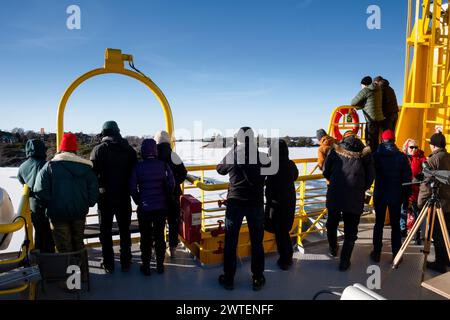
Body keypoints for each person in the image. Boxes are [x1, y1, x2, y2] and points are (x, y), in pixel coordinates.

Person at [216, 127, 269, 291]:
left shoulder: (233, 155)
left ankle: (229, 279)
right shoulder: (262, 157)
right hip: (256, 204)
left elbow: (220, 169)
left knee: (231, 242)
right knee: (257, 242)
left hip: (235, 203)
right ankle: (257, 278)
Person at [34, 133, 98, 254]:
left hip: (57, 214)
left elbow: (39, 189)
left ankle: (69, 272)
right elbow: (93, 190)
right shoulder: (86, 168)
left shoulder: (50, 166)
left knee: (63, 246)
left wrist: (51, 203)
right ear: (75, 149)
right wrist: (87, 203)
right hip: (79, 211)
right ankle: (81, 272)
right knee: (78, 243)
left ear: (61, 148)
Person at [90, 121, 138, 273]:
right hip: (124, 196)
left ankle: (109, 263)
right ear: (118, 131)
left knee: (105, 231)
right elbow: (134, 173)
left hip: (105, 198)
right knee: (124, 229)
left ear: (104, 132)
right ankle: (126, 261)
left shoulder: (98, 150)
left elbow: (93, 175)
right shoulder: (129, 150)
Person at [323, 134, 375, 271]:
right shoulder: (365, 155)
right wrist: (361, 188)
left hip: (335, 194)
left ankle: (333, 248)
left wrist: (334, 181)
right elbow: (370, 177)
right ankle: (344, 261)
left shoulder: (334, 151)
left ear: (344, 140)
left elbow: (325, 171)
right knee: (351, 230)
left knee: (332, 223)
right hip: (355, 196)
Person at [129, 139, 175, 276]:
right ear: (155, 150)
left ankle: (146, 265)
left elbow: (132, 186)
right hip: (161, 207)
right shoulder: (163, 165)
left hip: (145, 208)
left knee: (146, 237)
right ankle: (160, 265)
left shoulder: (138, 167)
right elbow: (171, 183)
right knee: (160, 236)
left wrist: (138, 199)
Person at [371, 130, 412, 263]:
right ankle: (396, 254)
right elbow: (407, 179)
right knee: (395, 225)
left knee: (379, 224)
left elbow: (370, 174)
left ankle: (377, 253)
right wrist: (406, 198)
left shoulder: (376, 156)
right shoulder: (401, 157)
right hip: (396, 195)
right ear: (394, 140)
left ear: (382, 141)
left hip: (380, 195)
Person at [418, 132, 450, 273]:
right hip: (449, 203)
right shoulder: (449, 157)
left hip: (439, 204)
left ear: (434, 145)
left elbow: (426, 185)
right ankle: (448, 259)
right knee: (448, 232)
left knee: (437, 233)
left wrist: (421, 202)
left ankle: (440, 263)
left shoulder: (433, 160)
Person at [265, 139, 299, 270]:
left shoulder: (270, 165)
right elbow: (295, 176)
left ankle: (286, 258)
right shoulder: (290, 164)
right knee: (283, 230)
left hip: (276, 202)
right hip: (289, 200)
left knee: (280, 231)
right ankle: (286, 257)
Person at [17, 139, 55, 253]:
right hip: (48, 203)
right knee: (48, 232)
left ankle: (40, 255)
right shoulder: (46, 164)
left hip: (33, 204)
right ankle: (50, 258)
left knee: (39, 230)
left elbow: (21, 180)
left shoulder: (22, 166)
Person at [154, 130, 187, 257]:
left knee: (158, 223)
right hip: (173, 194)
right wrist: (173, 183)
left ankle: (158, 250)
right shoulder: (174, 155)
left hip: (157, 194)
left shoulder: (153, 155)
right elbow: (183, 173)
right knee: (173, 222)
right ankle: (172, 248)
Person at [401, 139, 427, 243]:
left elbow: (426, 170)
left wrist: (420, 177)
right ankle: (402, 231)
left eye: (416, 147)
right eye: (411, 147)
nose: (414, 149)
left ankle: (417, 234)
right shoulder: (402, 157)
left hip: (416, 190)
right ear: (406, 147)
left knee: (417, 213)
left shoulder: (421, 157)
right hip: (404, 189)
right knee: (402, 211)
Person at [351, 76, 385, 153]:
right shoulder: (378, 89)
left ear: (364, 84)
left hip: (371, 119)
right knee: (376, 140)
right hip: (379, 118)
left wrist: (360, 105)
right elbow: (370, 101)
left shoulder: (366, 90)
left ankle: (370, 159)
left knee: (369, 141)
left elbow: (353, 102)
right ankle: (376, 156)